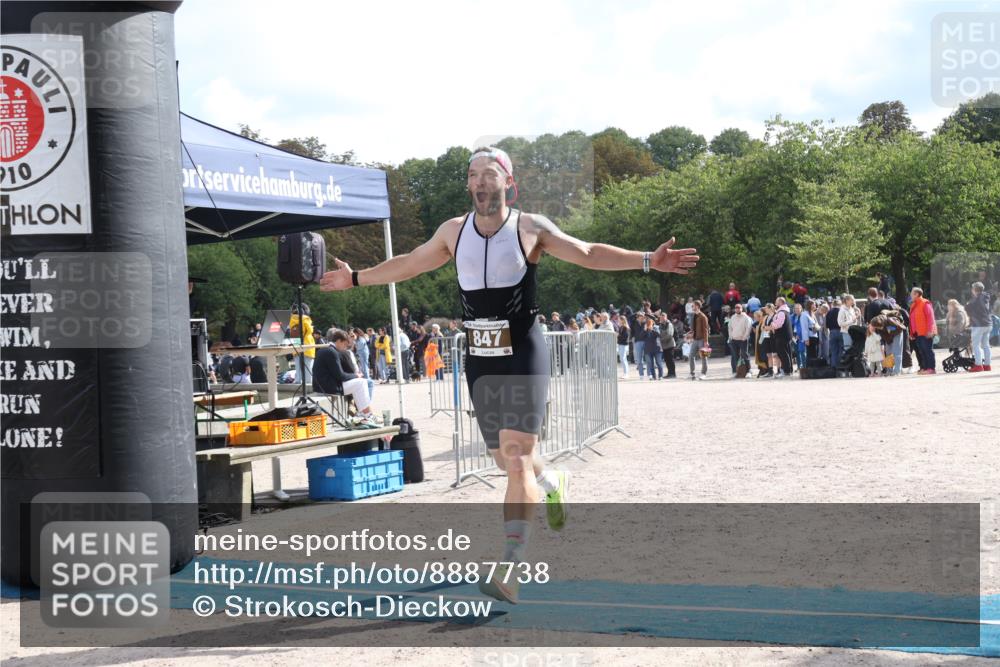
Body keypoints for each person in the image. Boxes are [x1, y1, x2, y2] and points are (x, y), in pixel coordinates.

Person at [319, 145, 698, 603]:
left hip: (522, 351)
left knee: (516, 458)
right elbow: (410, 264)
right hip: (481, 359)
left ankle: (511, 566)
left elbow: (587, 252)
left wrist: (645, 260)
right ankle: (552, 481)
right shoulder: (452, 231)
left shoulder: (529, 228)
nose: (480, 181)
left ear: (508, 182)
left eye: (490, 173)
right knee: (506, 460)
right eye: (473, 174)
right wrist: (357, 277)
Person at [313, 329, 381, 427]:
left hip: (323, 385)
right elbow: (341, 375)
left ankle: (365, 413)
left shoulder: (326, 350)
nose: (345, 347)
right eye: (345, 344)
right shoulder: (332, 352)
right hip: (329, 387)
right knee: (360, 383)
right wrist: (356, 375)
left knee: (359, 383)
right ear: (338, 341)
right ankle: (368, 414)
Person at [909, 287, 937, 374]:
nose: (910, 295)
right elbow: (912, 320)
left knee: (927, 350)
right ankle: (925, 368)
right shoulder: (913, 305)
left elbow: (930, 318)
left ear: (916, 294)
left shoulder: (925, 303)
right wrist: (911, 333)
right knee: (921, 351)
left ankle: (931, 368)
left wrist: (930, 330)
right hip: (917, 332)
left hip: (926, 332)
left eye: (912, 293)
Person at [966, 281, 993, 372]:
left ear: (974, 289)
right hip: (988, 323)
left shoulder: (976, 299)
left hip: (978, 325)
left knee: (976, 345)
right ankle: (987, 365)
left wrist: (967, 304)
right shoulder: (986, 297)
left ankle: (978, 365)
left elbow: (967, 308)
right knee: (986, 345)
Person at [288, 303, 316, 385]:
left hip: (296, 344)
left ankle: (297, 383)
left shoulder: (291, 320)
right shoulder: (306, 319)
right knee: (308, 369)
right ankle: (308, 386)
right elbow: (310, 330)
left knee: (298, 368)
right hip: (307, 345)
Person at [727, 303, 753, 375]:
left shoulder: (746, 317)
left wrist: (745, 337)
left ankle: (749, 370)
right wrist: (731, 336)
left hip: (743, 339)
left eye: (739, 308)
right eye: (736, 308)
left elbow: (748, 328)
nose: (737, 309)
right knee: (735, 356)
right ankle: (737, 371)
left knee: (745, 355)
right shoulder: (733, 317)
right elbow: (730, 327)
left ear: (742, 309)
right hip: (734, 339)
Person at [771, 297, 793, 377]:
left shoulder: (781, 312)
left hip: (782, 336)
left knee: (783, 354)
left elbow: (778, 325)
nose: (775, 303)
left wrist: (772, 325)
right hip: (785, 335)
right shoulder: (785, 311)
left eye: (776, 302)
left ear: (780, 302)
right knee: (787, 353)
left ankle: (786, 371)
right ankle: (788, 370)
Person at [688, 300, 710, 380]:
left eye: (693, 306)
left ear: (697, 306)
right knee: (691, 356)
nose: (692, 307)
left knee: (704, 357)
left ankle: (703, 373)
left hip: (702, 339)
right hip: (695, 339)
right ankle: (692, 373)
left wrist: (706, 341)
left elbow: (705, 330)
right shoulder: (694, 315)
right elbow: (693, 328)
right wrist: (690, 336)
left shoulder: (703, 316)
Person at [658, 312, 677, 378]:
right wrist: (662, 336)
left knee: (671, 360)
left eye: (663, 317)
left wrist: (662, 339)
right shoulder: (660, 325)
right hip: (664, 346)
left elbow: (669, 335)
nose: (662, 318)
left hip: (670, 344)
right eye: (661, 317)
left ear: (666, 317)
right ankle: (669, 373)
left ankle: (673, 374)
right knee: (667, 360)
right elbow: (659, 334)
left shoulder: (669, 324)